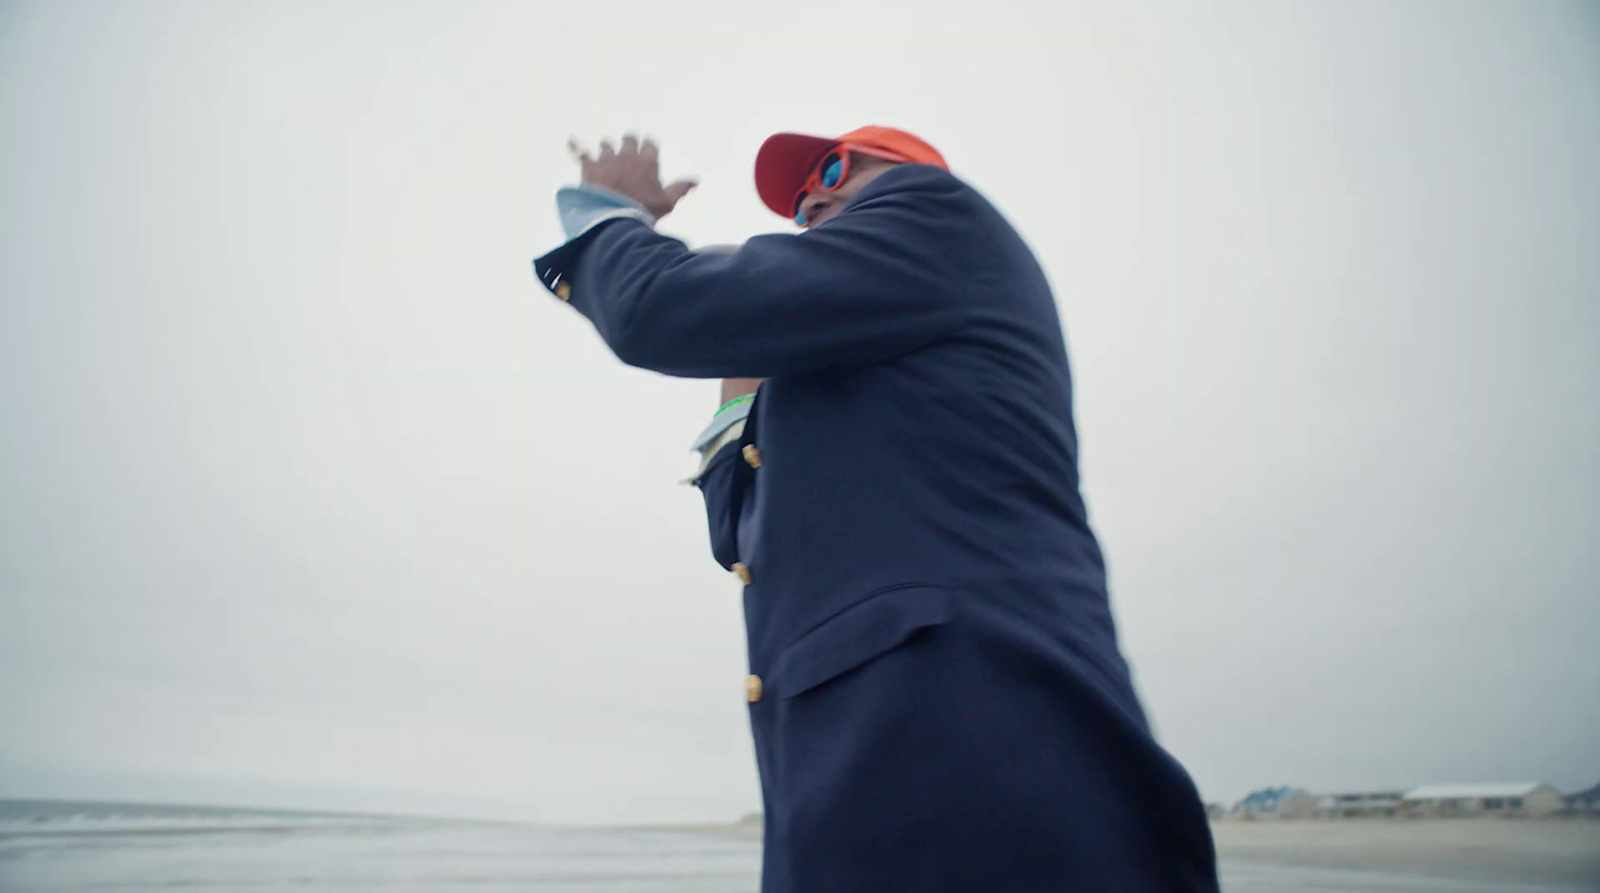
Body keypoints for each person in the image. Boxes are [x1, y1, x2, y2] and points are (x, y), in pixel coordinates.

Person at [533, 126, 1219, 893]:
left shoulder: (937, 214)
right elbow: (737, 538)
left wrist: (612, 215)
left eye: (834, 167)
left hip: (980, 756)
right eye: (797, 202)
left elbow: (662, 308)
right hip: (838, 795)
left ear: (904, 174)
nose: (813, 197)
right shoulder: (861, 345)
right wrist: (741, 378)